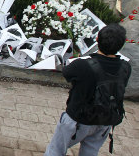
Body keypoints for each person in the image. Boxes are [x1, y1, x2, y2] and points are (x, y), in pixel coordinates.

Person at [44, 24, 132, 156]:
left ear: (97, 39)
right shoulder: (125, 67)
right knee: (90, 152)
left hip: (77, 120)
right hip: (105, 120)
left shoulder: (83, 65)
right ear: (121, 46)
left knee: (55, 151)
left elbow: (67, 73)